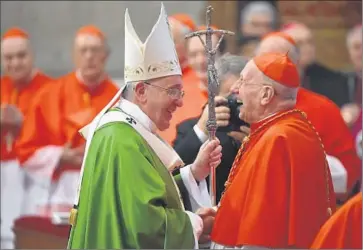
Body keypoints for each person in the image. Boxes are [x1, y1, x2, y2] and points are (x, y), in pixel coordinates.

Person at [67, 4, 221, 249]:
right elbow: (147, 227)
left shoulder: (130, 130)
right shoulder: (121, 138)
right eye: (172, 91)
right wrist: (196, 223)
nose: (181, 101)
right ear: (141, 91)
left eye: (181, 91)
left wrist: (193, 174)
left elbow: (142, 195)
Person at [211, 52, 336, 249]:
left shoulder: (277, 140)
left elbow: (262, 233)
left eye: (243, 81)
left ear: (266, 94)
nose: (235, 89)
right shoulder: (287, 129)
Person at [15, 25, 119, 216]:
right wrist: (60, 155)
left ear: (106, 55)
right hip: (58, 190)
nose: (89, 56)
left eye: (95, 50)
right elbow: (25, 151)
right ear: (74, 55)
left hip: (104, 188)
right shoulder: (49, 94)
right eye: (83, 51)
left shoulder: (119, 98)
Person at [255, 31, 361, 201]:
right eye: (264, 61)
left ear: (297, 65)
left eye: (281, 60)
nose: (271, 68)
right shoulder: (244, 105)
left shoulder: (323, 109)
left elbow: (348, 174)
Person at [0, 27, 53, 249]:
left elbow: (57, 134)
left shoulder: (50, 88)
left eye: (21, 56)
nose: (15, 63)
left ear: (32, 55)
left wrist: (24, 124)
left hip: (36, 177)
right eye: (8, 58)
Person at [174, 54, 249, 205]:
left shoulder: (264, 129)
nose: (238, 102)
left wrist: (256, 143)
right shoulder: (190, 128)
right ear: (215, 96)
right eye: (232, 96)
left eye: (243, 95)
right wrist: (202, 129)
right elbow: (175, 169)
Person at [158, 25, 221, 144]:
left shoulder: (235, 91)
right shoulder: (179, 94)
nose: (200, 60)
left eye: (208, 53)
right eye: (193, 55)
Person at [282, 22, 350, 107]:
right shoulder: (275, 78)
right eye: (300, 43)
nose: (308, 47)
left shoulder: (332, 80)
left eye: (310, 42)